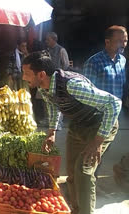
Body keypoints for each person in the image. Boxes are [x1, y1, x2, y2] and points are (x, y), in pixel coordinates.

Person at [22, 51, 121, 214]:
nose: (24, 77)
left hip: (100, 125)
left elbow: (114, 104)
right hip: (79, 124)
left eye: (27, 73)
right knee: (71, 172)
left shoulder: (71, 85)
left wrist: (97, 141)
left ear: (41, 74)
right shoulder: (45, 87)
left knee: (83, 171)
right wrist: (52, 131)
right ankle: (76, 209)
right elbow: (53, 106)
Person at [83, 25, 128, 100]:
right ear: (107, 42)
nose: (123, 45)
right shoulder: (93, 62)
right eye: (119, 41)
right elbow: (87, 92)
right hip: (100, 110)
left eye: (125, 41)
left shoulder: (123, 60)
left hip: (119, 108)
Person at [45, 32, 69, 130]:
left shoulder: (61, 50)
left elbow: (66, 64)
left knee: (58, 101)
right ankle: (51, 121)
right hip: (48, 78)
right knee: (49, 100)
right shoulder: (47, 50)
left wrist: (60, 74)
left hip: (58, 78)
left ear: (54, 40)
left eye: (48, 40)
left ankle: (58, 123)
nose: (46, 42)